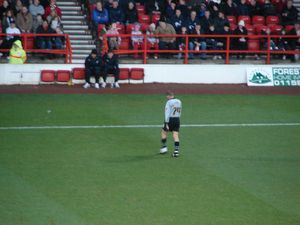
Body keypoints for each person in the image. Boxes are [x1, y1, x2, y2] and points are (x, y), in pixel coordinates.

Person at [160, 91, 182, 158]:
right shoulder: (179, 101)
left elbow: (167, 112)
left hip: (170, 119)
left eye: (167, 96)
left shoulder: (169, 102)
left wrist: (166, 123)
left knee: (163, 132)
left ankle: (164, 148)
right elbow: (180, 111)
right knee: (175, 135)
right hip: (177, 119)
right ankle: (176, 152)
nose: (167, 97)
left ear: (169, 96)